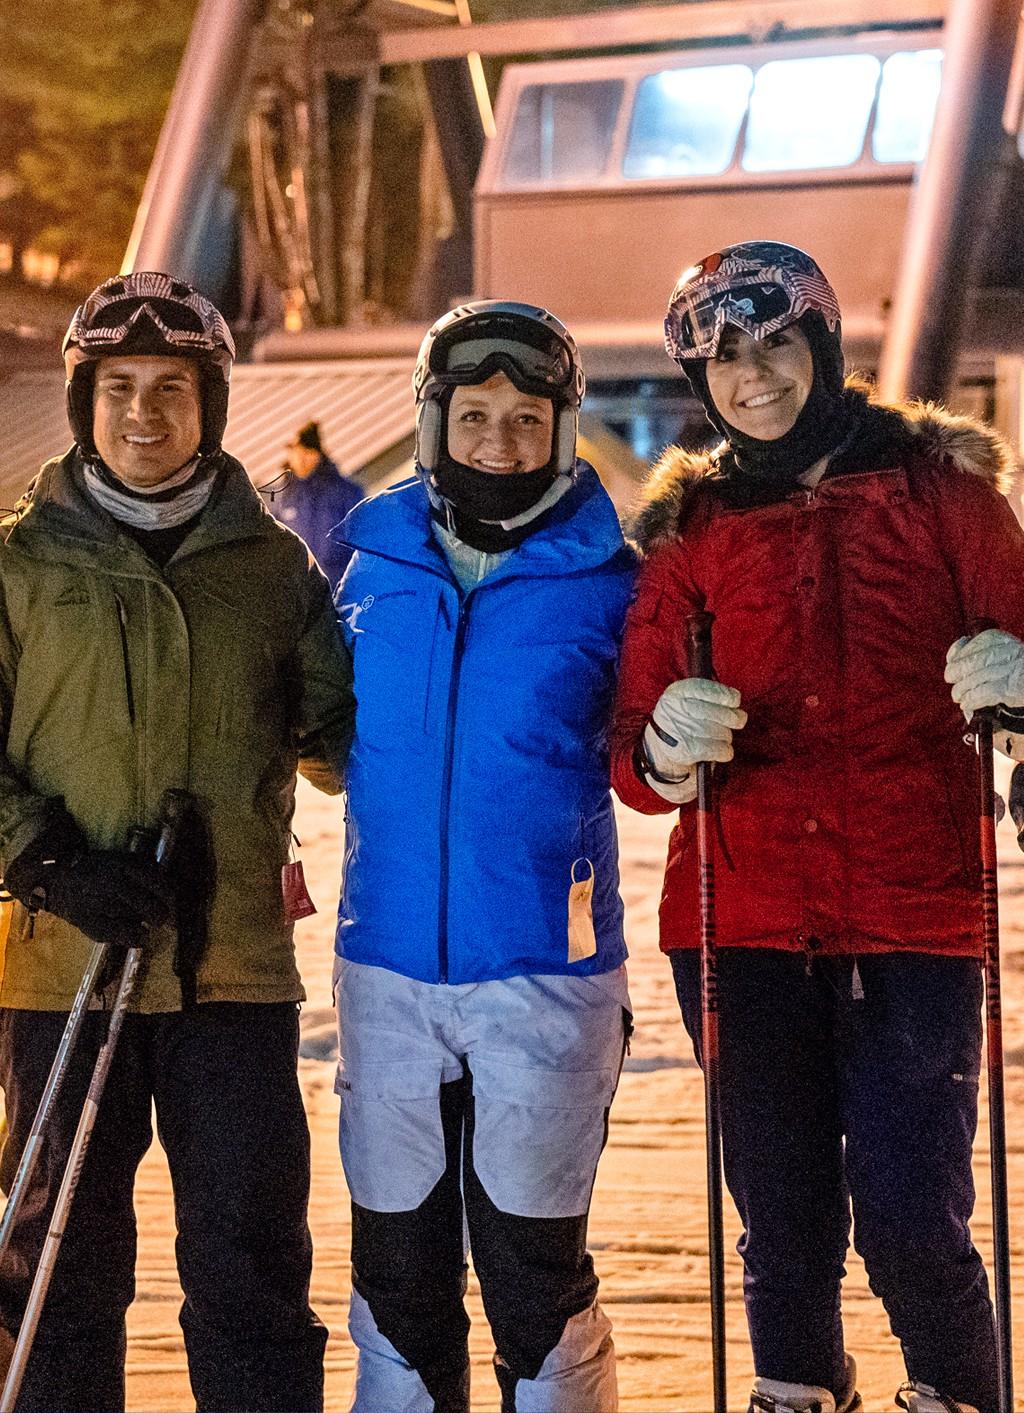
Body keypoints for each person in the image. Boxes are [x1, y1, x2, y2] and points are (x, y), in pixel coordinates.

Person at [610, 241, 1024, 1413]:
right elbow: (631, 752)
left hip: (914, 916)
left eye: (774, 343)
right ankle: (796, 1387)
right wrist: (662, 748)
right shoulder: (690, 532)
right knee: (780, 1211)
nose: (753, 377)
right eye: (722, 359)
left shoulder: (944, 496)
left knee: (909, 1209)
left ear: (822, 345)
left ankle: (954, 1392)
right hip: (738, 920)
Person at [0, 271, 355, 1413]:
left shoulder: (273, 570)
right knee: (55, 1268)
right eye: (117, 389)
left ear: (208, 403)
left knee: (249, 1264)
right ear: (84, 404)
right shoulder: (18, 564)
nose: (143, 413)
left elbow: (346, 740)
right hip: (61, 968)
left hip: (231, 976)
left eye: (171, 389)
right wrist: (45, 861)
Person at [332, 300, 635, 1413]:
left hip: (542, 971)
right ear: (432, 421)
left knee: (528, 1266)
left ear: (560, 428)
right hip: (388, 969)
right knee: (397, 1264)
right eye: (474, 415)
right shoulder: (367, 560)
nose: (499, 441)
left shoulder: (611, 578)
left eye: (525, 417)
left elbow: (649, 754)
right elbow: (309, 724)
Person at [272, 420, 363, 586]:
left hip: (341, 585)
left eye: (306, 452)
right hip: (301, 591)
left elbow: (362, 538)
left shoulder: (344, 491)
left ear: (317, 454)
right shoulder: (281, 497)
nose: (300, 458)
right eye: (295, 452)